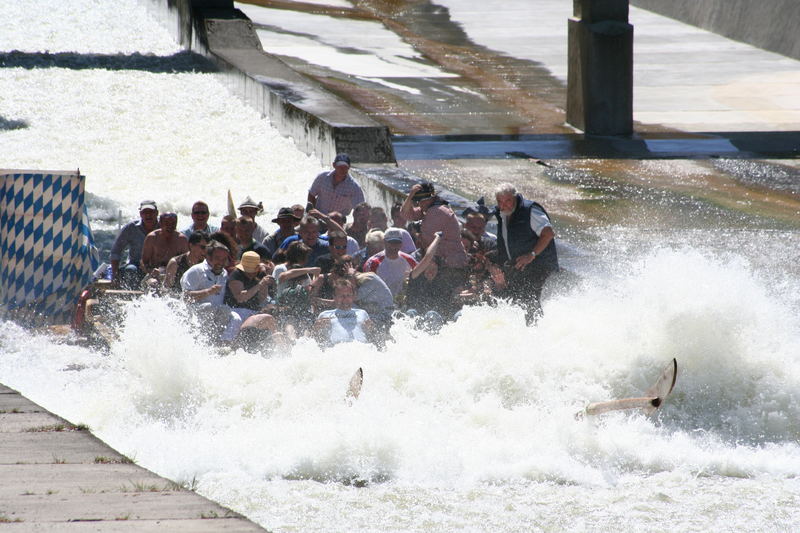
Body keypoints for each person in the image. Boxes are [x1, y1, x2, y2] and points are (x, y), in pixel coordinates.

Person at [492, 182, 559, 323]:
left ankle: (537, 330)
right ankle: (522, 331)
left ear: (515, 197)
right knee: (513, 299)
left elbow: (548, 233)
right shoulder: (501, 213)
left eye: (508, 200)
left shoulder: (530, 210)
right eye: (500, 202)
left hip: (540, 265)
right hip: (519, 267)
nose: (504, 205)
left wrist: (531, 255)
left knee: (529, 298)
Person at [180, 241, 243, 343]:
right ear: (208, 257)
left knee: (234, 317)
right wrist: (208, 291)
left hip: (215, 314)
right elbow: (186, 297)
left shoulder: (224, 273)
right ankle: (204, 343)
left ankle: (223, 345)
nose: (221, 262)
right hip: (194, 313)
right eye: (218, 258)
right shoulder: (196, 271)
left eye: (224, 259)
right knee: (208, 307)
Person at [400, 182, 468, 269]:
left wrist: (417, 233)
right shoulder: (430, 208)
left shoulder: (437, 211)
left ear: (432, 198)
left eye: (425, 200)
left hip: (451, 265)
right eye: (419, 201)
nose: (421, 204)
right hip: (444, 261)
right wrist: (410, 196)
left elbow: (426, 239)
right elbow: (405, 214)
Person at [109, 200, 159, 289]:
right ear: (140, 214)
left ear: (157, 213)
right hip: (136, 265)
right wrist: (114, 275)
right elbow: (116, 251)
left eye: (151, 212)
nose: (148, 215)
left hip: (158, 266)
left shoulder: (164, 226)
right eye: (145, 212)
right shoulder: (131, 227)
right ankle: (132, 297)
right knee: (130, 270)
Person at [313, 279, 374, 346]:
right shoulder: (325, 315)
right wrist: (317, 330)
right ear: (334, 297)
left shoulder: (362, 313)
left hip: (360, 350)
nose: (345, 299)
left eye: (348, 295)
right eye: (341, 296)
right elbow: (316, 341)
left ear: (353, 296)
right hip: (336, 352)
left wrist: (370, 330)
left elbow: (371, 337)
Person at [362, 228, 418, 299]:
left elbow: (418, 281)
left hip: (404, 302)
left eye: (397, 242)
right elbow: (366, 287)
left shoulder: (410, 260)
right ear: (384, 242)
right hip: (380, 303)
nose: (394, 246)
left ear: (401, 243)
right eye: (391, 242)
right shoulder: (373, 262)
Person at [307, 153, 365, 217]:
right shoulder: (322, 177)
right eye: (340, 166)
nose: (342, 169)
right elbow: (312, 194)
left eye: (345, 167)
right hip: (319, 216)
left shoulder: (354, 187)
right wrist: (312, 211)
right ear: (334, 165)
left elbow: (360, 209)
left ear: (349, 167)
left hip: (337, 221)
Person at [224, 250, 274, 323]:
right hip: (236, 311)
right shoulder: (236, 275)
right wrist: (259, 284)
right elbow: (240, 298)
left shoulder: (259, 275)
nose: (250, 273)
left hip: (253, 311)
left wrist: (265, 284)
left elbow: (261, 299)